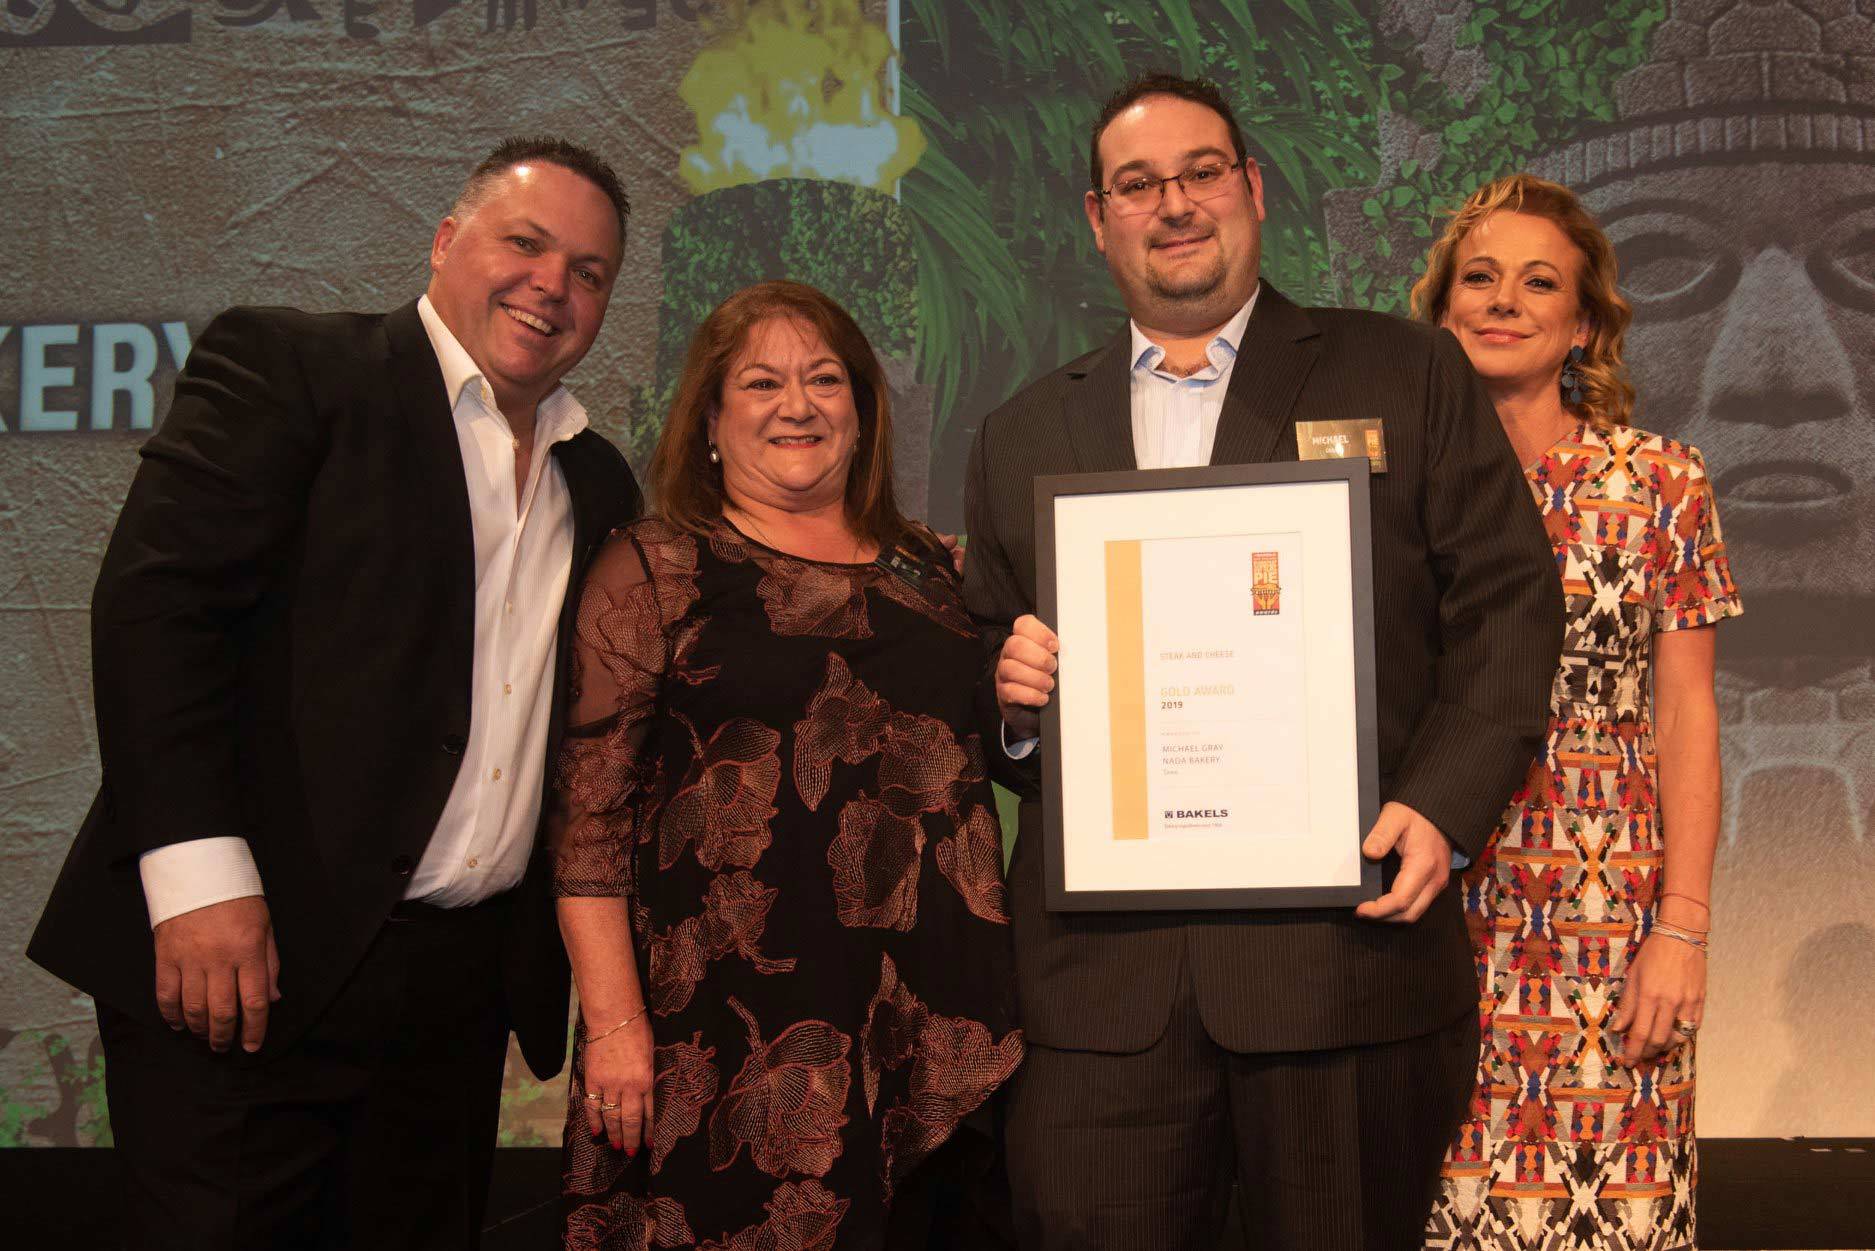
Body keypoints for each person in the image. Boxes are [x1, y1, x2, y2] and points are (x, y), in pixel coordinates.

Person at [967, 73, 1563, 1251]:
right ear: (1099, 219)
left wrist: (1441, 811)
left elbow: (1508, 604)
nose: (1173, 203)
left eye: (1199, 173)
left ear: (1252, 191)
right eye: (1138, 185)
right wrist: (1017, 707)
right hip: (1107, 1006)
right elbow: (990, 660)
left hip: (1343, 973)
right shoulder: (1024, 432)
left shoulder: (1404, 372)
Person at [26, 137, 642, 1249]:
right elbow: (156, 612)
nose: (553, 284)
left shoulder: (595, 480)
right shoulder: (292, 368)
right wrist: (199, 880)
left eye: (589, 271)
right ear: (447, 241)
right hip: (246, 967)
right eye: (525, 242)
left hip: (452, 1005)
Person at [550, 279, 1022, 1249]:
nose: (798, 404)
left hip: (933, 1043)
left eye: (825, 379)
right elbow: (587, 823)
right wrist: (612, 1026)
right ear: (712, 421)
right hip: (728, 1042)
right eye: (762, 382)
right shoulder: (656, 568)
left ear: (862, 412)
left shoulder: (930, 570)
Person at [1411, 173, 1741, 1251]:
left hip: (1606, 934)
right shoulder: (1380, 484)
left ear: (1584, 323)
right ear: (1442, 307)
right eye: (1480, 277)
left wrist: (1681, 930)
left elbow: (1687, 716)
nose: (1504, 300)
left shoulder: (1661, 483)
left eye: (1538, 282)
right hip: (1423, 921)